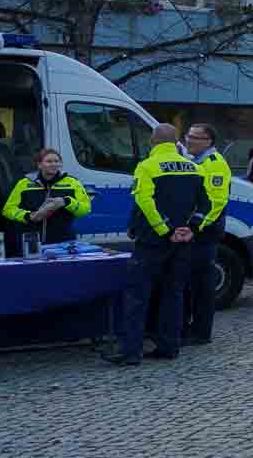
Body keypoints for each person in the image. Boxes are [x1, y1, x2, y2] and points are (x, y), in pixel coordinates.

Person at [103, 125, 208, 366]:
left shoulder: (147, 166)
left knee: (137, 295)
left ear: (153, 141)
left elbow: (145, 202)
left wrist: (166, 229)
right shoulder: (195, 167)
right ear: (176, 142)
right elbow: (206, 204)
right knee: (173, 293)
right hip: (183, 242)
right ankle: (169, 346)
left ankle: (131, 351)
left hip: (153, 241)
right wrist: (189, 228)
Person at [182, 123, 231, 347]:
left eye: (195, 137)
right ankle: (190, 327)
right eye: (188, 136)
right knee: (191, 282)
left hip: (205, 232)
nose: (189, 140)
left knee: (203, 284)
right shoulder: (194, 161)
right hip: (195, 230)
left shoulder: (215, 164)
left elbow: (215, 202)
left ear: (209, 142)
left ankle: (201, 332)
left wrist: (195, 226)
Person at [3, 147, 92, 255]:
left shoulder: (73, 183)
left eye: (57, 161)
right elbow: (8, 209)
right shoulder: (24, 183)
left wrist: (66, 202)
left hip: (63, 240)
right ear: (39, 164)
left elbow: (86, 209)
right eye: (49, 161)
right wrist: (28, 216)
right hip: (33, 240)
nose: (54, 164)